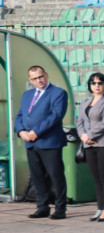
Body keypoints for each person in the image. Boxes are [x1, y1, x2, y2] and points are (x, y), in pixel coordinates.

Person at [15, 65, 69, 219]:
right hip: (30, 142)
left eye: (40, 76)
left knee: (55, 175)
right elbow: (20, 116)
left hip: (50, 142)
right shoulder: (27, 95)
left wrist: (35, 132)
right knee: (37, 176)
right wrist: (21, 132)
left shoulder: (58, 93)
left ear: (46, 74)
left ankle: (60, 208)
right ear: (30, 80)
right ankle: (42, 207)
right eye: (34, 78)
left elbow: (55, 116)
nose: (39, 80)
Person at [76, 72, 104, 223]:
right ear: (90, 86)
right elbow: (79, 121)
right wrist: (83, 136)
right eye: (93, 83)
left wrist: (90, 135)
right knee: (96, 179)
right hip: (88, 145)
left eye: (100, 83)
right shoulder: (85, 102)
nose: (97, 86)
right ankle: (99, 208)